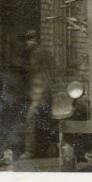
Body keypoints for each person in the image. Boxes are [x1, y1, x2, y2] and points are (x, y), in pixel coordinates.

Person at [20, 29, 54, 159]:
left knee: (31, 120)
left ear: (33, 39)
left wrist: (39, 95)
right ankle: (47, 149)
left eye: (28, 40)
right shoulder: (41, 52)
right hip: (43, 93)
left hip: (40, 94)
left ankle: (30, 151)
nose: (27, 43)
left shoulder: (37, 53)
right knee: (44, 122)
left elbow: (41, 75)